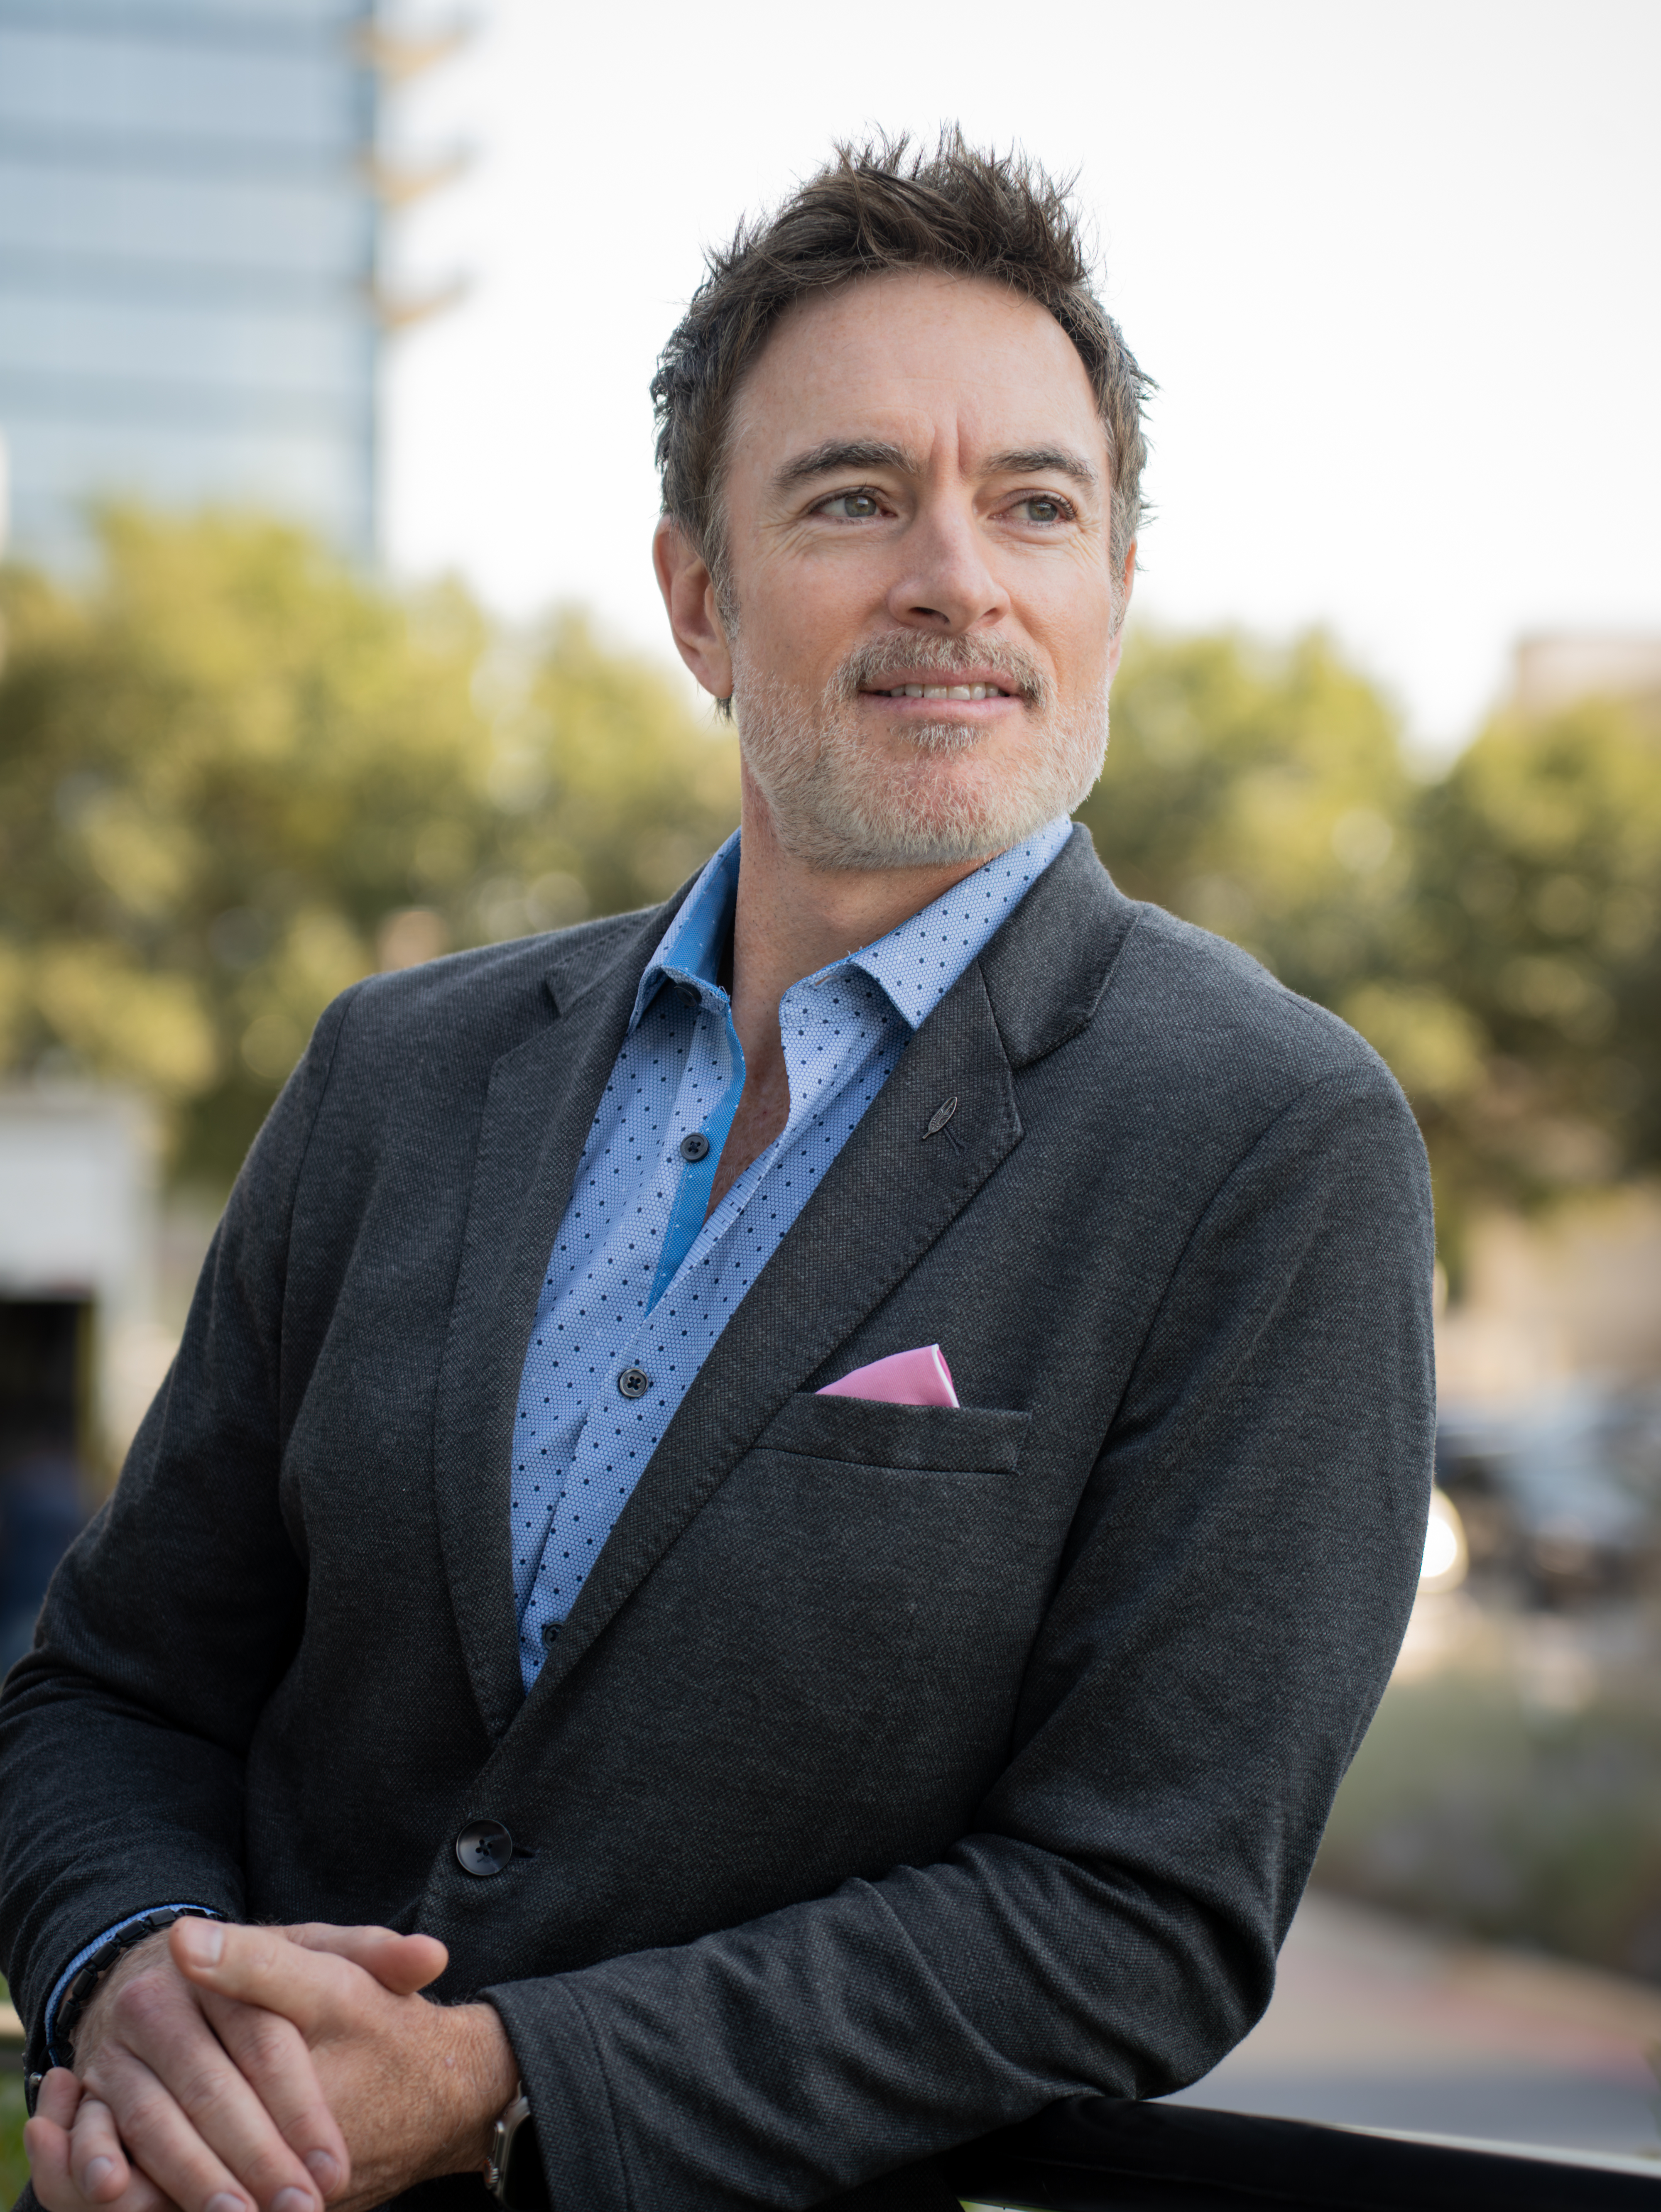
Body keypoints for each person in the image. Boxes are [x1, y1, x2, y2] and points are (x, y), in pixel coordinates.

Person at [1, 133, 1435, 2212]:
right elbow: (112, 1691)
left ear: (1109, 592)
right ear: (698, 597)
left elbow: (1141, 1911)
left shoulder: (1272, 1142)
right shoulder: (393, 1072)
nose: (957, 574)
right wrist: (128, 1969)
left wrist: (507, 2080)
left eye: (1036, 504)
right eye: (855, 498)